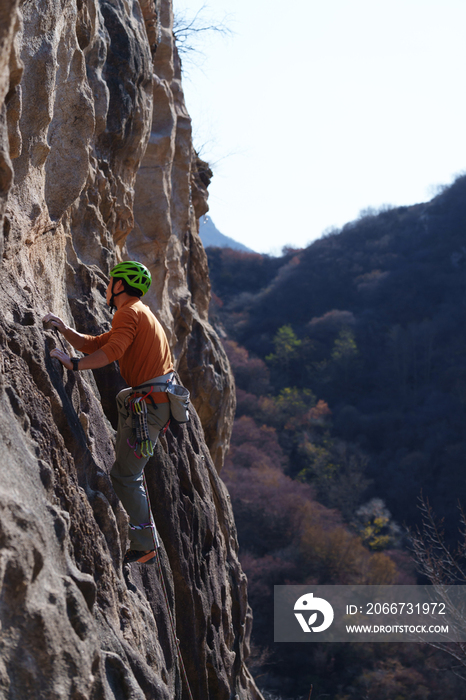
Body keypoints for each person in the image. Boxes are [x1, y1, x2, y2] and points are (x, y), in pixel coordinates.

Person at [43, 261, 174, 565]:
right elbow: (99, 344)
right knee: (127, 473)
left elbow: (111, 353)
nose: (106, 286)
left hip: (151, 404)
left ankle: (145, 545)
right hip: (153, 401)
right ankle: (145, 542)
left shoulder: (129, 312)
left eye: (111, 281)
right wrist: (64, 330)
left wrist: (73, 364)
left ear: (119, 286)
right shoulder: (138, 312)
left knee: (126, 476)